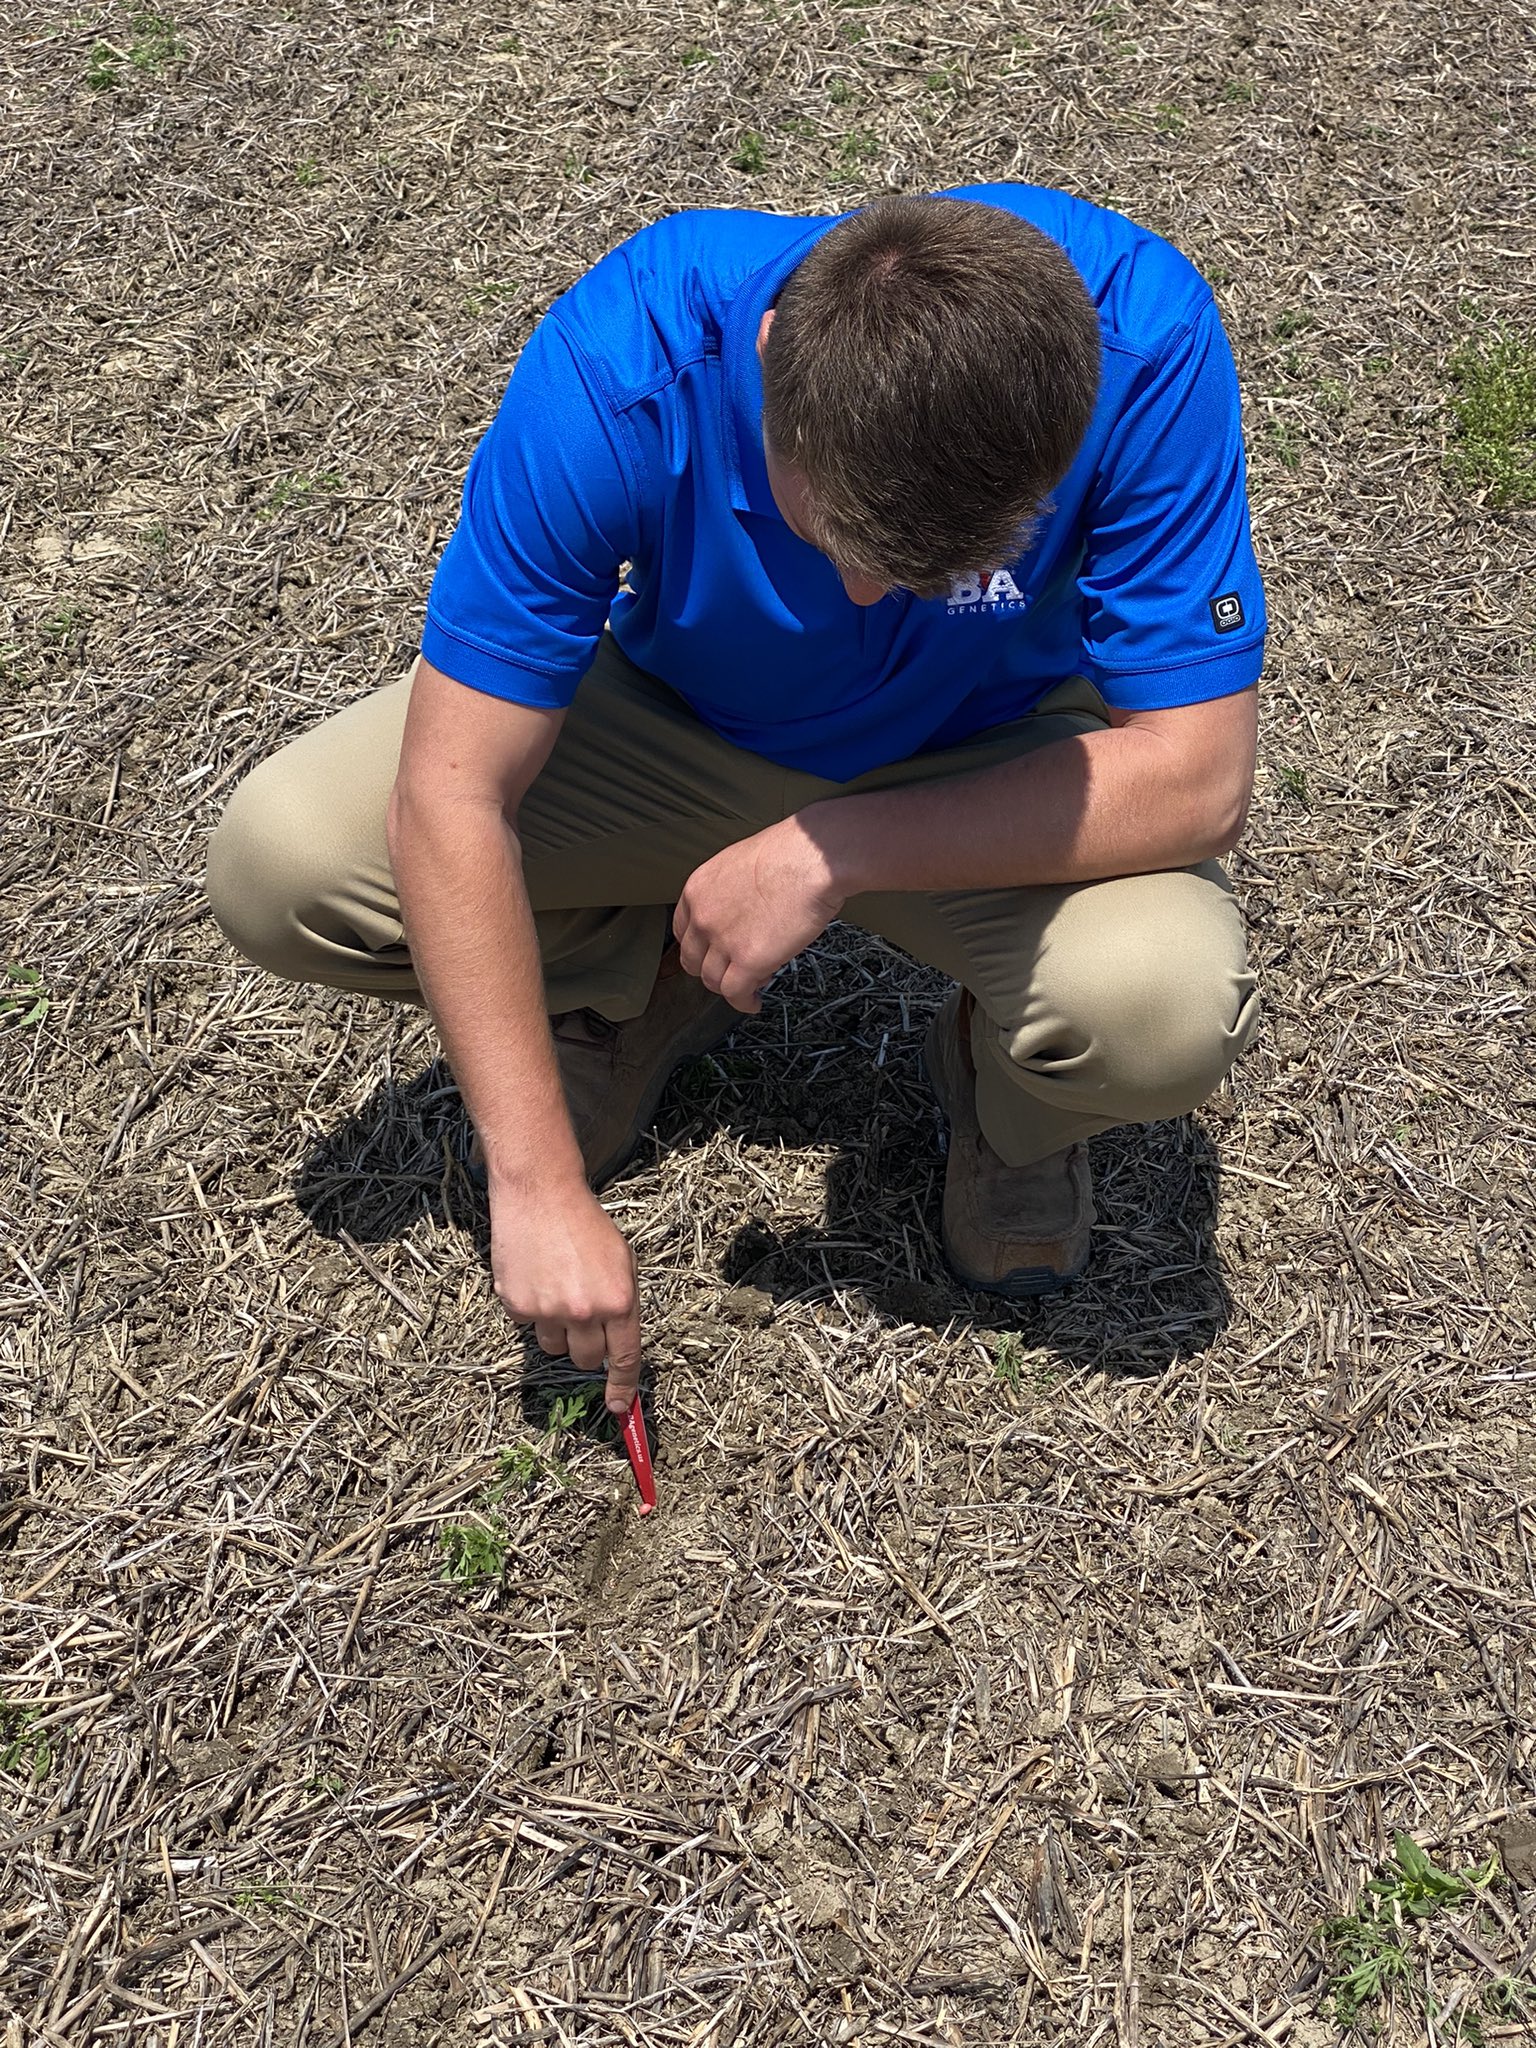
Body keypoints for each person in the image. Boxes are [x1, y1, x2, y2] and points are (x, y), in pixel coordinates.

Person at [206, 185, 1265, 1423]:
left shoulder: (1143, 336)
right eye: (842, 538)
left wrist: (837, 846)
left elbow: (1198, 774)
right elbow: (451, 796)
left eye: (929, 567)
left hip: (987, 751)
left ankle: (1010, 1107)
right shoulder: (629, 357)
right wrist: (537, 1183)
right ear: (772, 367)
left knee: (1163, 1006)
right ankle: (634, 973)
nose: (870, 595)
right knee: (285, 863)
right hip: (678, 725)